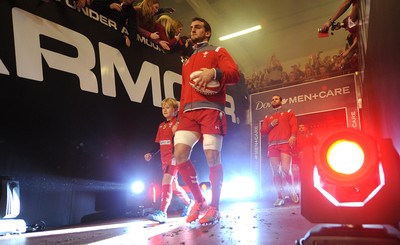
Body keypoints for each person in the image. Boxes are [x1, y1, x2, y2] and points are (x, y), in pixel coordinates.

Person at [173, 17, 240, 224]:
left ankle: (215, 207)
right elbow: (185, 90)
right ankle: (199, 200)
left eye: (198, 27)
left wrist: (214, 72)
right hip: (188, 114)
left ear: (207, 32)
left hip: (211, 110)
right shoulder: (187, 61)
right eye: (191, 27)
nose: (193, 30)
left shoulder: (217, 50)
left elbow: (235, 74)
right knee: (180, 156)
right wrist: (180, 115)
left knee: (212, 157)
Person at [144, 98, 194, 223]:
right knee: (174, 186)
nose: (165, 110)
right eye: (163, 108)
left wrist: (176, 152)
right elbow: (158, 144)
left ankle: (162, 212)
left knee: (165, 181)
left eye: (168, 107)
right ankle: (189, 202)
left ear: (175, 110)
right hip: (164, 160)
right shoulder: (161, 126)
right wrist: (150, 153)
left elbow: (181, 141)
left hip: (174, 158)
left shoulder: (177, 124)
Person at [260, 95, 299, 207]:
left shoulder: (288, 112)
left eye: (276, 99)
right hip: (272, 146)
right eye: (272, 99)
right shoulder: (268, 116)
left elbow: (294, 125)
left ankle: (291, 191)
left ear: (281, 101)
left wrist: (293, 136)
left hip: (285, 143)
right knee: (275, 172)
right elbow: (263, 132)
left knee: (286, 170)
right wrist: (271, 125)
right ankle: (280, 196)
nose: (274, 100)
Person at [291, 124, 318, 194]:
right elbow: (294, 148)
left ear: (306, 128)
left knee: (310, 174)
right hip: (300, 159)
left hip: (310, 158)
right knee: (299, 175)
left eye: (302, 127)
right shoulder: (297, 137)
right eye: (299, 127)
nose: (301, 128)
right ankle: (299, 192)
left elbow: (317, 144)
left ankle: (312, 190)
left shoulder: (311, 135)